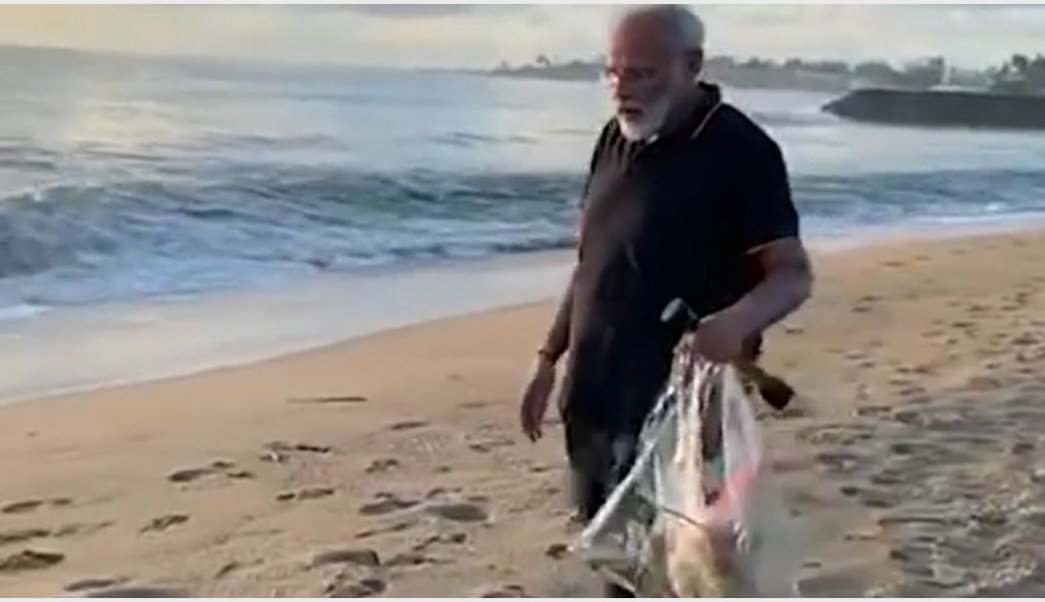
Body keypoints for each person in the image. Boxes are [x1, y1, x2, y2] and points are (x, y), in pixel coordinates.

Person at [518, 5, 814, 596]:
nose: (622, 90)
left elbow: (791, 275)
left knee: (689, 576)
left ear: (692, 66)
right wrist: (548, 360)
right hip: (594, 399)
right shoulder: (613, 139)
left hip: (682, 417)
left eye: (642, 74)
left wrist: (738, 320)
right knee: (615, 565)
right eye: (614, 72)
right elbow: (592, 266)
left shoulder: (741, 151)